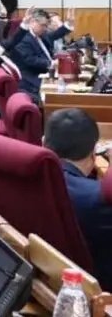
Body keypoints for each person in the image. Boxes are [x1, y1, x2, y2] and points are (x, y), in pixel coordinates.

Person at [43, 108, 112, 289]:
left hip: (46, 277)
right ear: (94, 151)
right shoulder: (98, 199)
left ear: (43, 143)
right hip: (96, 290)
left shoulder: (28, 181)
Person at [9, 7, 73, 98]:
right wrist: (52, 63)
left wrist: (68, 24)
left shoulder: (41, 35)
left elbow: (55, 34)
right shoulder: (22, 38)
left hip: (47, 74)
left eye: (46, 26)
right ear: (32, 22)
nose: (44, 28)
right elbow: (30, 59)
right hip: (32, 79)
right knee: (63, 93)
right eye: (42, 25)